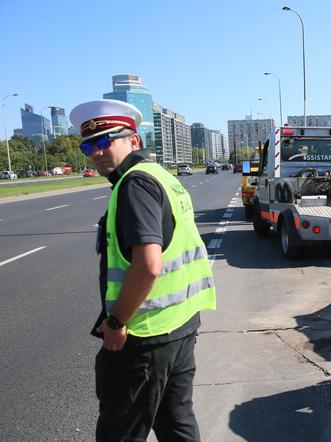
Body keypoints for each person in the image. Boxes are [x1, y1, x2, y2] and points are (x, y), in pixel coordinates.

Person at [70, 99, 216, 441]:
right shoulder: (162, 176)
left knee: (120, 433)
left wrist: (117, 322)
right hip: (179, 327)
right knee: (177, 424)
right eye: (88, 145)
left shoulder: (134, 185)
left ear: (134, 140)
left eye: (106, 141)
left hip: (142, 339)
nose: (96, 152)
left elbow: (148, 265)